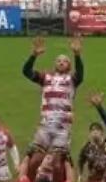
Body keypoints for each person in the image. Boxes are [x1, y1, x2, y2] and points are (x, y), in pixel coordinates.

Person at [22, 35, 85, 169]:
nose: (61, 62)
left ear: (69, 65)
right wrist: (33, 55)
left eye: (65, 61)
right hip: (46, 125)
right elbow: (26, 72)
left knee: (56, 164)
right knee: (34, 162)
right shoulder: (46, 77)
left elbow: (80, 73)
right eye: (59, 61)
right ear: (55, 64)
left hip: (63, 127)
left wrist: (77, 55)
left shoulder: (72, 79)